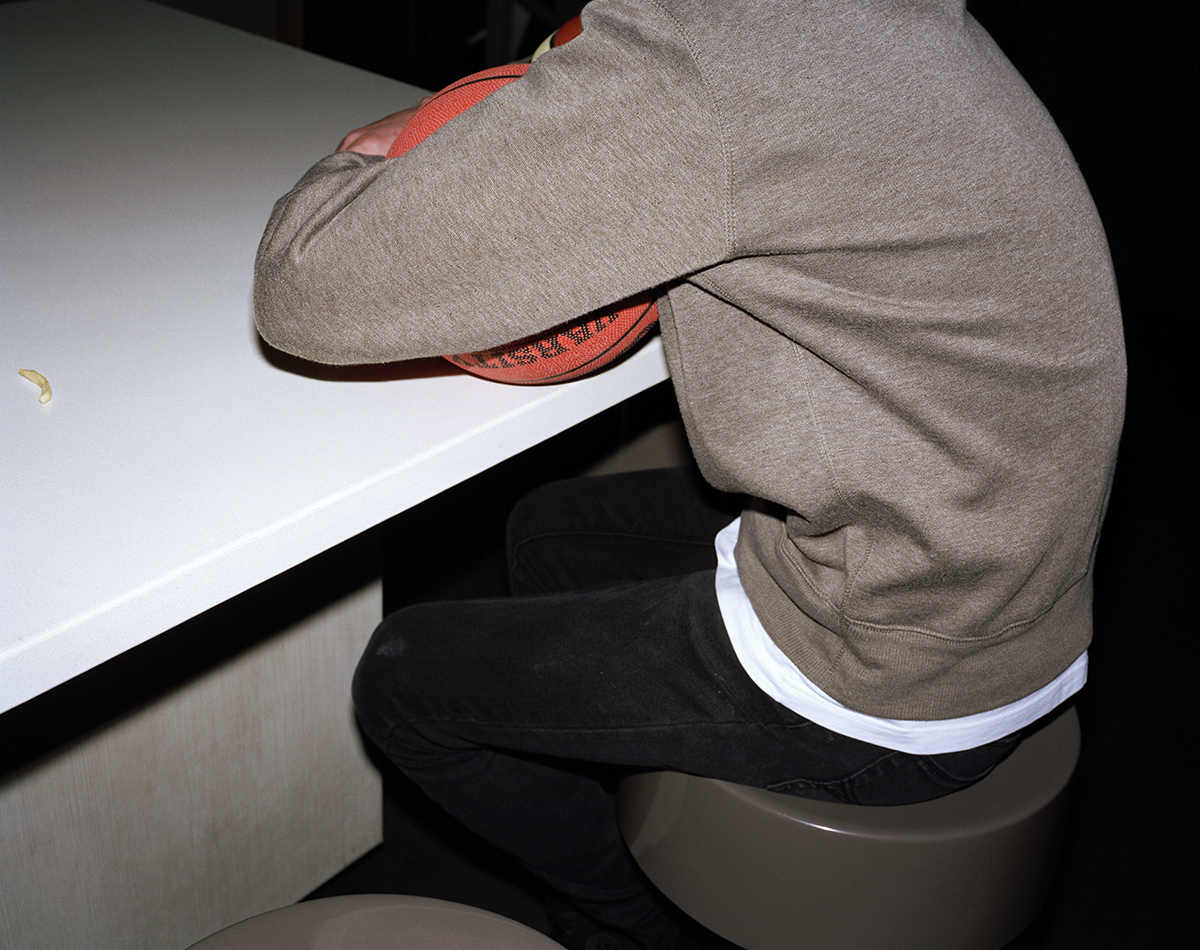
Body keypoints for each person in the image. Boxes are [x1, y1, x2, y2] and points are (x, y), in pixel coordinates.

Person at [253, 1, 1125, 947]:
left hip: (891, 668)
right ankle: (622, 758)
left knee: (404, 680)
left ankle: (624, 919)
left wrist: (374, 160)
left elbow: (305, 287)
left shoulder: (707, 59)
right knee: (549, 530)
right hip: (989, 575)